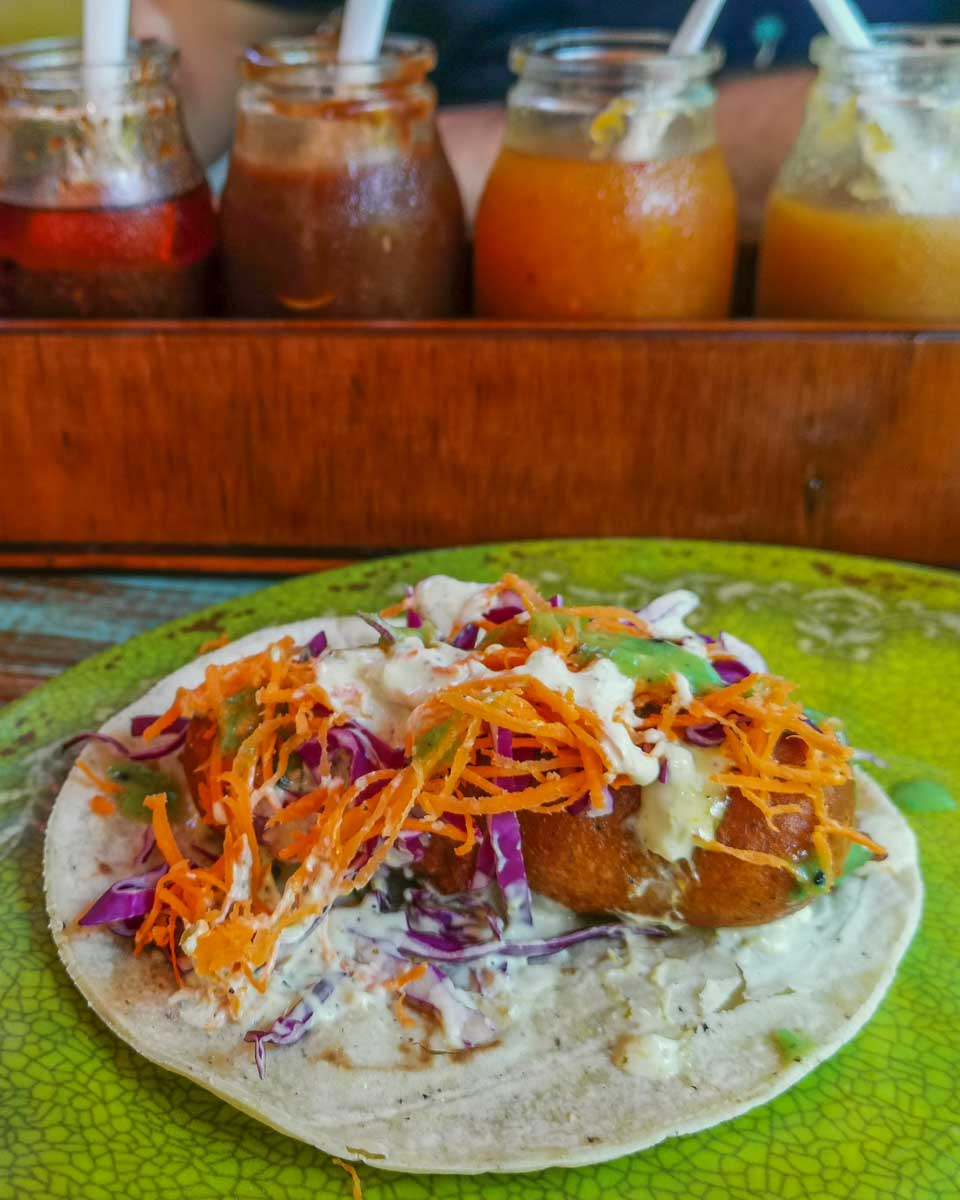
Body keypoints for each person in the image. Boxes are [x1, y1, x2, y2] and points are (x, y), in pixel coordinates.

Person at [131, 1, 958, 232]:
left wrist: (512, 149)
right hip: (432, 320)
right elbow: (227, 29)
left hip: (869, 363)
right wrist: (112, 109)